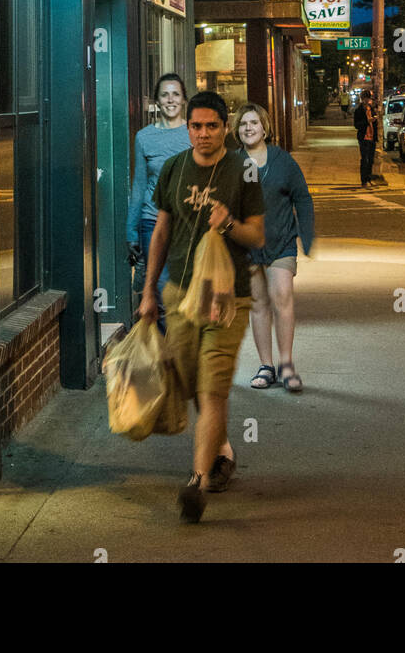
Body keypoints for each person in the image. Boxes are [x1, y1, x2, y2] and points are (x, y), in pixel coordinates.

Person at [140, 91, 265, 523]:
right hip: (178, 293)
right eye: (196, 126)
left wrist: (229, 223)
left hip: (227, 298)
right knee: (188, 379)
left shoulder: (243, 172)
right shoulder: (174, 170)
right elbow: (160, 233)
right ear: (187, 127)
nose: (203, 134)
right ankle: (222, 449)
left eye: (212, 126)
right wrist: (148, 293)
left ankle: (198, 479)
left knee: (213, 387)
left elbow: (257, 236)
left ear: (225, 128)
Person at [233, 103, 314, 394]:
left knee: (282, 298)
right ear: (237, 130)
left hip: (281, 242)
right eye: (243, 124)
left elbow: (302, 198)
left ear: (265, 128)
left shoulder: (283, 162)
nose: (249, 128)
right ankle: (266, 366)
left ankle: (287, 365)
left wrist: (307, 235)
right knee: (258, 304)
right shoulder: (231, 163)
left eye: (254, 123)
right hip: (247, 247)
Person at [126, 74, 191, 326]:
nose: (170, 99)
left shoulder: (194, 133)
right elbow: (139, 185)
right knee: (162, 292)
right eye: (165, 94)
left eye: (175, 94)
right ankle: (169, 358)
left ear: (184, 99)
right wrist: (131, 230)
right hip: (152, 222)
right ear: (157, 101)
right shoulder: (144, 137)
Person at [353, 88, 377, 187]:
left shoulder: (371, 109)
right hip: (364, 137)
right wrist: (368, 121)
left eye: (368, 98)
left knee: (371, 160)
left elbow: (375, 122)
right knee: (365, 159)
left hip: (372, 137)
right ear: (362, 99)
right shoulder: (359, 110)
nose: (367, 101)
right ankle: (363, 181)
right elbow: (356, 125)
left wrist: (375, 120)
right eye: (365, 98)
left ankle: (368, 178)